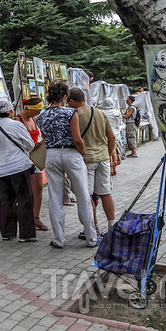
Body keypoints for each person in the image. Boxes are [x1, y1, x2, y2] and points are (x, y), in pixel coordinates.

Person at [35, 82, 99, 249]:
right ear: (64, 97)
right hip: (71, 153)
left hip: (52, 155)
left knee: (55, 197)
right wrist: (82, 152)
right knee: (83, 195)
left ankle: (58, 239)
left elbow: (45, 136)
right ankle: (91, 237)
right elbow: (77, 139)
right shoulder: (71, 113)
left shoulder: (41, 117)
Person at [67, 88, 119, 238]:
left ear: (72, 101)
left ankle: (93, 229)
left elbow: (75, 139)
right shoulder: (100, 112)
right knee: (105, 193)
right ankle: (111, 226)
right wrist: (108, 154)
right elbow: (112, 137)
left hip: (86, 159)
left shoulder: (74, 115)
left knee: (87, 196)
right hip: (102, 157)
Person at [0, 101, 36, 243]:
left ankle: (7, 232)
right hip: (18, 167)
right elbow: (30, 144)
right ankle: (26, 234)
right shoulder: (15, 125)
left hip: (0, 170)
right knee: (24, 200)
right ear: (10, 111)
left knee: (6, 201)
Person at [15, 97, 48, 231]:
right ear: (29, 109)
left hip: (35, 158)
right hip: (23, 158)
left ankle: (36, 217)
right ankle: (26, 217)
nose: (38, 114)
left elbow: (38, 135)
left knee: (38, 188)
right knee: (26, 191)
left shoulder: (33, 119)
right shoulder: (18, 121)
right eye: (36, 111)